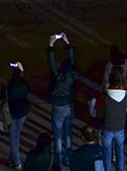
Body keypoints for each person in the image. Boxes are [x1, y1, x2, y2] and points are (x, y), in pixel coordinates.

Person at [48, 32, 77, 166]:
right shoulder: (72, 76)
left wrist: (51, 45)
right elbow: (72, 61)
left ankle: (58, 159)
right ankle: (68, 157)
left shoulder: (57, 76)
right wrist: (68, 43)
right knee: (68, 133)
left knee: (58, 134)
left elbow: (51, 62)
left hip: (57, 106)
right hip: (68, 106)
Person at [100, 69, 127, 171]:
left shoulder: (106, 95)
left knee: (107, 153)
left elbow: (99, 109)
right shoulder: (125, 94)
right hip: (120, 126)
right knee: (120, 151)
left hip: (108, 127)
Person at [4, 63, 29, 171]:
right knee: (17, 135)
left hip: (12, 114)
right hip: (22, 112)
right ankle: (12, 158)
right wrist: (21, 69)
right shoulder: (24, 85)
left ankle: (17, 163)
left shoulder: (9, 86)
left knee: (14, 139)